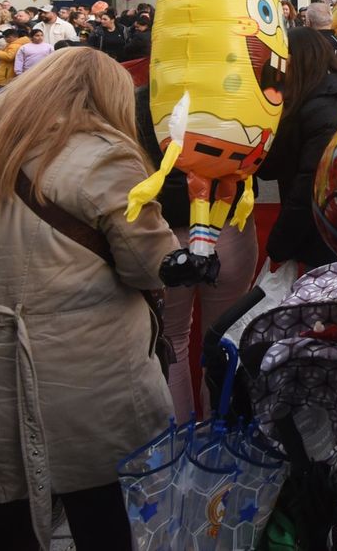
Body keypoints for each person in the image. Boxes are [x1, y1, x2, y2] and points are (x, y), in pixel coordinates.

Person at [0, 48, 179, 550]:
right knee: (104, 513)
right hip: (81, 368)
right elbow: (148, 265)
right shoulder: (105, 156)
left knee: (10, 514)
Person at [133, 83, 259, 421]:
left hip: (166, 232)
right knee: (224, 337)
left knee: (172, 341)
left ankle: (185, 446)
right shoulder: (235, 94)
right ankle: (223, 442)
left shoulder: (144, 99)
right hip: (226, 225)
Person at [260, 26, 337, 268]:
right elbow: (271, 168)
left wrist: (279, 246)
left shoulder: (324, 109)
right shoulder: (332, 96)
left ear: (294, 62)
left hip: (331, 241)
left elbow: (310, 188)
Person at [0, 27, 24, 91]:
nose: (5, 40)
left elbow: (9, 57)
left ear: (10, 37)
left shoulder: (15, 45)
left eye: (5, 38)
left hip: (7, 73)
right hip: (7, 71)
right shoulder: (15, 44)